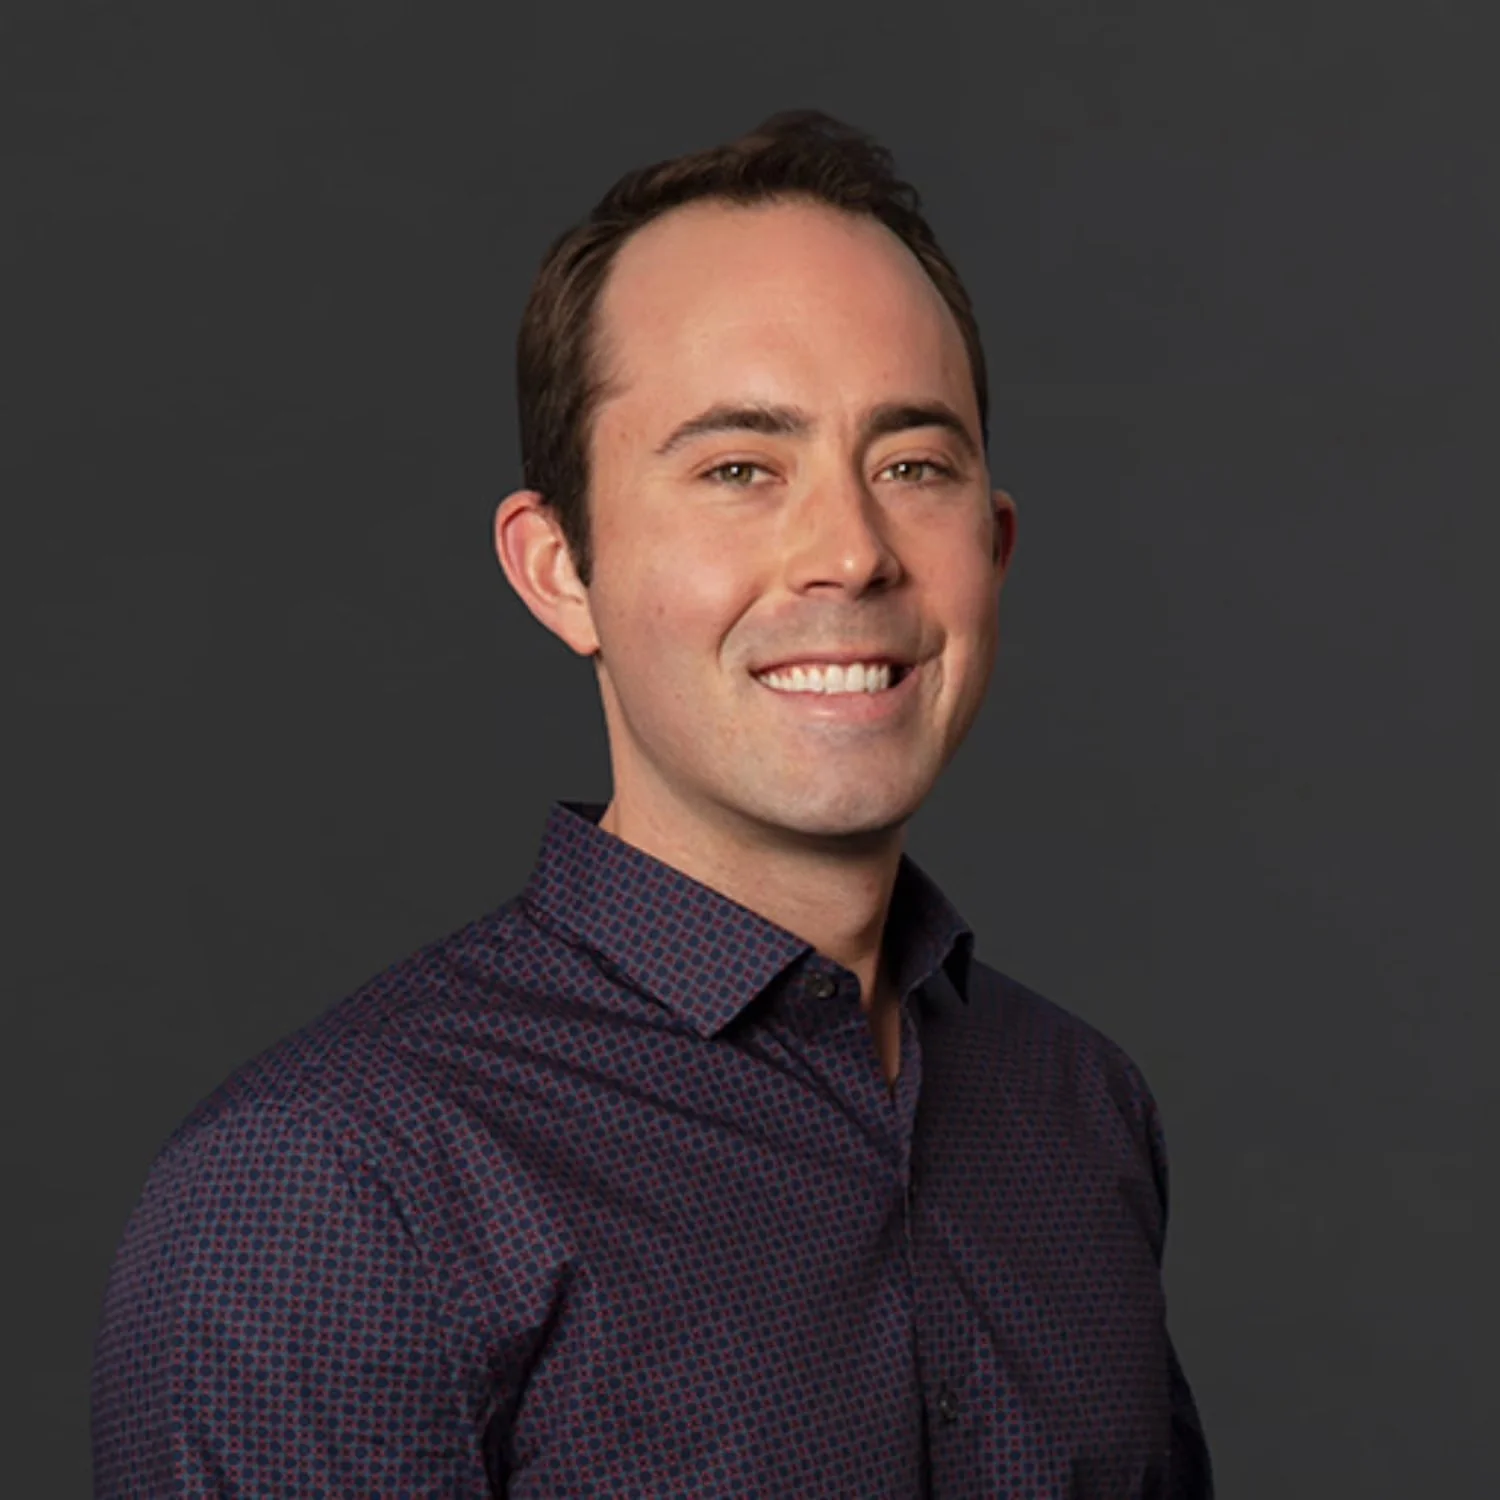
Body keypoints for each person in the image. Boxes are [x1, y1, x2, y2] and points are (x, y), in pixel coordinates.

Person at [92, 109, 1213, 1497]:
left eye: (912, 464)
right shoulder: (330, 1190)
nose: (851, 550)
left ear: (993, 545)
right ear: (561, 569)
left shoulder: (1078, 1111)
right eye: (741, 469)